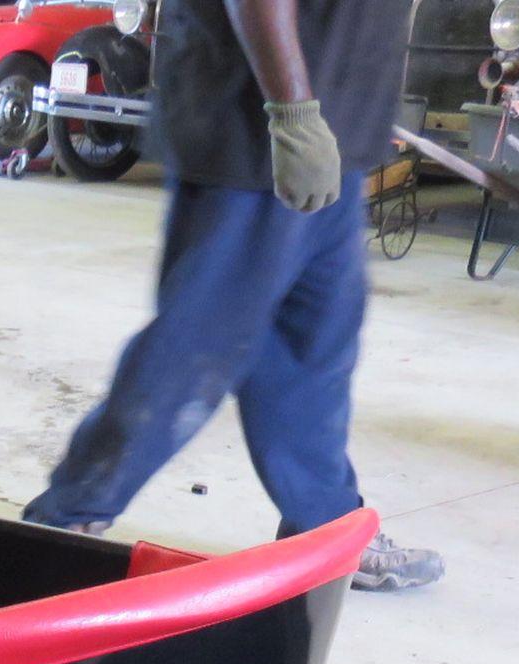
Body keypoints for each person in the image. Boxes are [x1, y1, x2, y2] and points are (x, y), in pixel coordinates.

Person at [23, 0, 442, 591]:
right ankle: (64, 523)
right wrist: (292, 112)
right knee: (197, 345)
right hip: (258, 133)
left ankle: (325, 528)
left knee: (314, 348)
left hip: (335, 133)